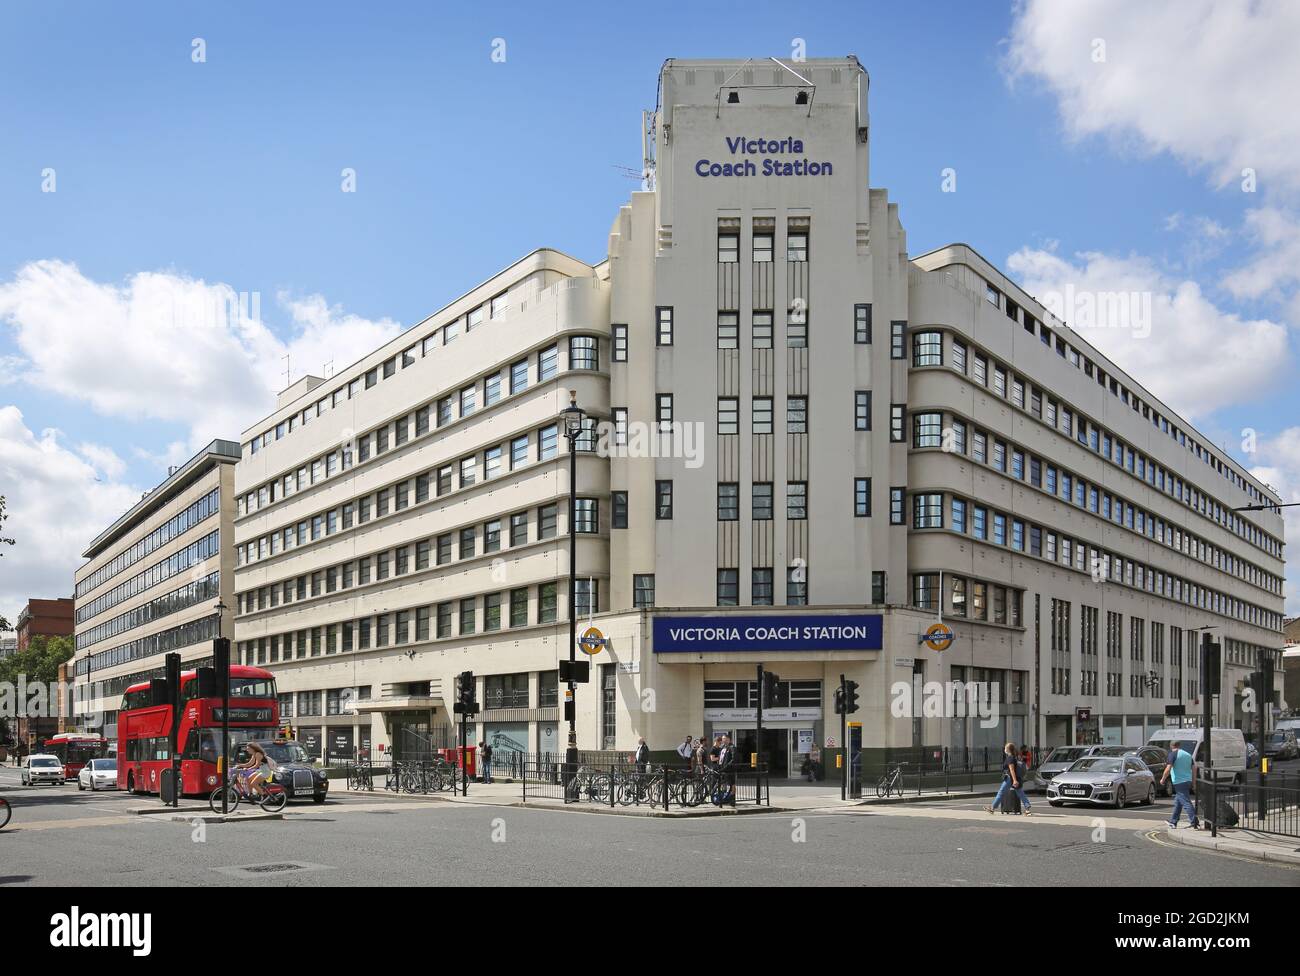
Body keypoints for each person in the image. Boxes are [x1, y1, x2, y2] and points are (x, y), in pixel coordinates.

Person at [1161, 741, 1199, 830]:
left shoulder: (1173, 754)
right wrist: (1194, 783)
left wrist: (1163, 779)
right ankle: (1173, 822)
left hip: (1179, 782)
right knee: (1178, 803)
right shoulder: (1187, 755)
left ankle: (1194, 822)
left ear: (1171, 746)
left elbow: (1168, 768)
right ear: (1179, 745)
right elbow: (1194, 769)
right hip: (1188, 781)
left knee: (1186, 802)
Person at [988, 741, 1031, 815]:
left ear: (1008, 749)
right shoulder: (1014, 757)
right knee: (1020, 793)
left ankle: (992, 808)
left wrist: (1014, 780)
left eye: (1005, 748)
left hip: (1009, 778)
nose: (1004, 749)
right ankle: (1027, 808)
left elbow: (1011, 770)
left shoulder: (1010, 758)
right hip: (1014, 778)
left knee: (1001, 792)